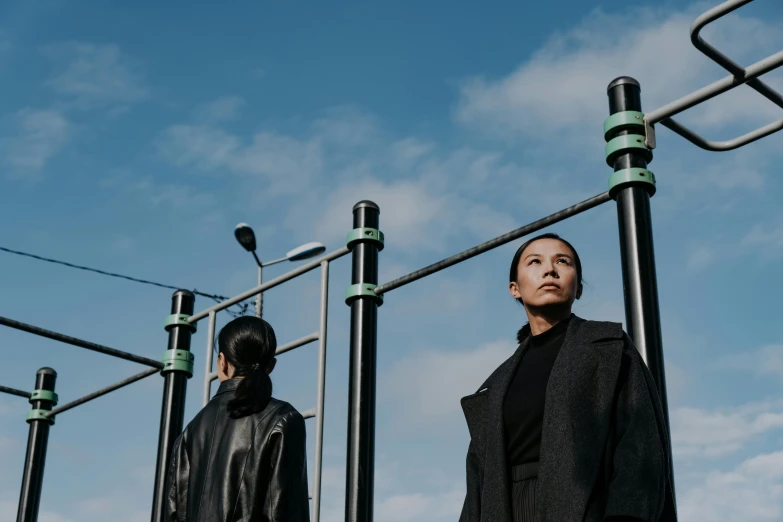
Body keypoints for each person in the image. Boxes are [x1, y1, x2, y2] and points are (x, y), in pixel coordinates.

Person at [459, 233, 677, 522]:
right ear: (515, 288)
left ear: (579, 290)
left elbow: (640, 448)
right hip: (507, 508)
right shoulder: (495, 385)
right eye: (535, 262)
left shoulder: (609, 347)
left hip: (587, 509)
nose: (550, 270)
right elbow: (477, 485)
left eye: (563, 261)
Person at [165, 316, 310, 522]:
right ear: (271, 366)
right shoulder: (283, 419)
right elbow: (286, 512)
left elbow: (172, 514)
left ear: (222, 362)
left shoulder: (190, 432)